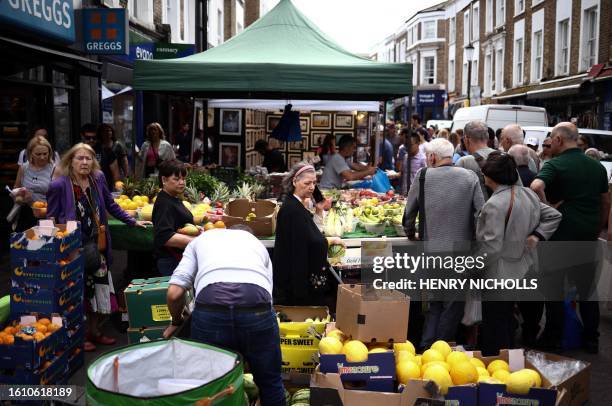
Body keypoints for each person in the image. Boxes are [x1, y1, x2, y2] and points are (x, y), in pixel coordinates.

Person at [164, 225, 286, 405]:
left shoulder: (200, 241)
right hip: (256, 310)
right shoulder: (258, 245)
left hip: (210, 312)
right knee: (271, 383)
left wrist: (176, 320)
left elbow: (174, 294)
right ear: (247, 235)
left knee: (211, 384)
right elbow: (266, 298)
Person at [47, 143, 149, 352]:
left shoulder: (98, 179)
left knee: (99, 291)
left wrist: (132, 221)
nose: (84, 162)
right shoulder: (59, 185)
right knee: (77, 293)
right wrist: (56, 245)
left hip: (97, 247)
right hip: (72, 250)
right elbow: (51, 217)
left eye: (88, 158)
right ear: (70, 162)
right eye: (79, 158)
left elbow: (110, 205)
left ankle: (95, 331)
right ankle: (79, 336)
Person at [531, 122, 609, 354]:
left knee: (554, 289)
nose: (549, 143)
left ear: (559, 140)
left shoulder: (555, 165)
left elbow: (535, 185)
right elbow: (605, 201)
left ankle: (554, 338)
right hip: (587, 236)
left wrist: (548, 207)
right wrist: (596, 227)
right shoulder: (596, 168)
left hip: (559, 236)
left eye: (551, 138)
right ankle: (591, 339)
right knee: (587, 290)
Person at [476, 152, 561, 355]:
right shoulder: (527, 194)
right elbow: (554, 215)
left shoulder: (494, 204)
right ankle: (510, 360)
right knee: (506, 319)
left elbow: (492, 247)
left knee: (495, 324)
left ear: (491, 176)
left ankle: (498, 365)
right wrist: (537, 235)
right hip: (523, 267)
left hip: (498, 273)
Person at [402, 139, 485, 349]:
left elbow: (408, 215)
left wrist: (410, 232)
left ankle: (425, 348)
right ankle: (439, 351)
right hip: (460, 254)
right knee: (451, 307)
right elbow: (481, 215)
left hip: (430, 252)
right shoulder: (470, 177)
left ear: (431, 157)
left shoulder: (422, 176)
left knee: (434, 305)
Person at [273, 163, 343, 309]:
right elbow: (309, 243)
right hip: (298, 287)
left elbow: (311, 233)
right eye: (307, 183)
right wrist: (329, 241)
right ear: (294, 182)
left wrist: (318, 211)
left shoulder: (297, 206)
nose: (311, 187)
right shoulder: (292, 211)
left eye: (314, 183)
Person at [152, 160, 196, 276]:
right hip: (171, 263)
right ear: (164, 180)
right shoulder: (164, 203)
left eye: (183, 178)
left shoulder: (172, 197)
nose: (182, 182)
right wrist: (196, 241)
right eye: (176, 179)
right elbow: (164, 236)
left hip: (176, 261)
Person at [13, 136, 56, 231]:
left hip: (46, 214)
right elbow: (16, 187)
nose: (42, 157)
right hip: (26, 213)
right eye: (38, 154)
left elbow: (59, 195)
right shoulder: (24, 168)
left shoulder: (54, 169)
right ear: (30, 153)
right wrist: (20, 197)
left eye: (45, 153)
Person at [456, 121, 498, 197]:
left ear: (466, 139)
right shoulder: (504, 157)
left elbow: (458, 195)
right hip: (502, 207)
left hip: (479, 208)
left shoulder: (464, 162)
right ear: (487, 137)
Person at [81, 124, 120, 190]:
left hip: (103, 191)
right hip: (82, 191)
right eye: (88, 138)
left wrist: (117, 190)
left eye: (94, 138)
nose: (91, 140)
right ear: (82, 136)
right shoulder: (77, 152)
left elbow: (116, 174)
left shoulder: (106, 151)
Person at [399, 131, 426, 196]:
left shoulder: (423, 159)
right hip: (404, 193)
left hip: (416, 195)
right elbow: (402, 173)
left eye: (410, 145)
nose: (407, 147)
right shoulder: (405, 157)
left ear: (418, 143)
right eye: (406, 144)